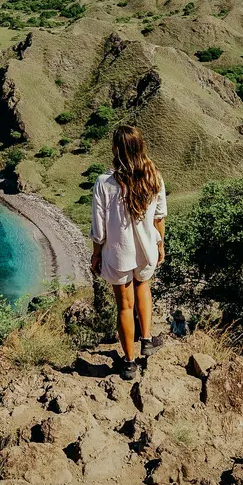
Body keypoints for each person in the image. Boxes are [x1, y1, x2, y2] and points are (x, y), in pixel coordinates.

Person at [90, 123, 166, 372]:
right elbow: (160, 217)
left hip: (118, 253)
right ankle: (146, 340)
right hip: (146, 248)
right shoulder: (153, 176)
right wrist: (160, 244)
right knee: (143, 286)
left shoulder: (104, 183)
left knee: (124, 305)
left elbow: (99, 230)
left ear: (115, 149)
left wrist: (96, 253)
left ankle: (129, 363)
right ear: (140, 146)